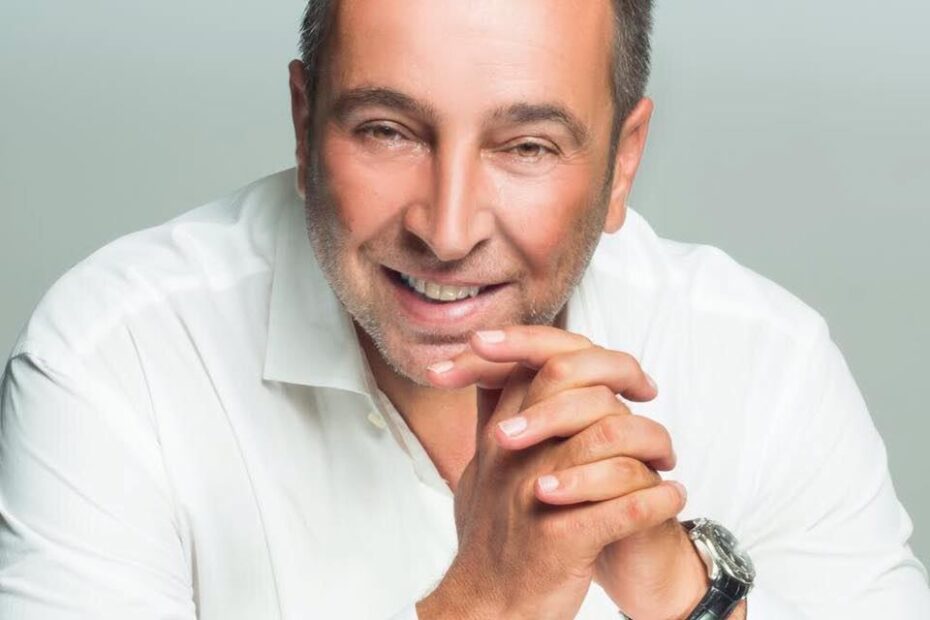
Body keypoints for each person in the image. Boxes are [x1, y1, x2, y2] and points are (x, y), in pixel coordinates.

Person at [1, 0, 928, 618]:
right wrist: (490, 604)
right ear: (303, 120)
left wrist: (690, 600)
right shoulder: (115, 357)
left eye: (526, 146)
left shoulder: (769, 363)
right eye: (387, 131)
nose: (446, 232)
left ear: (623, 164)